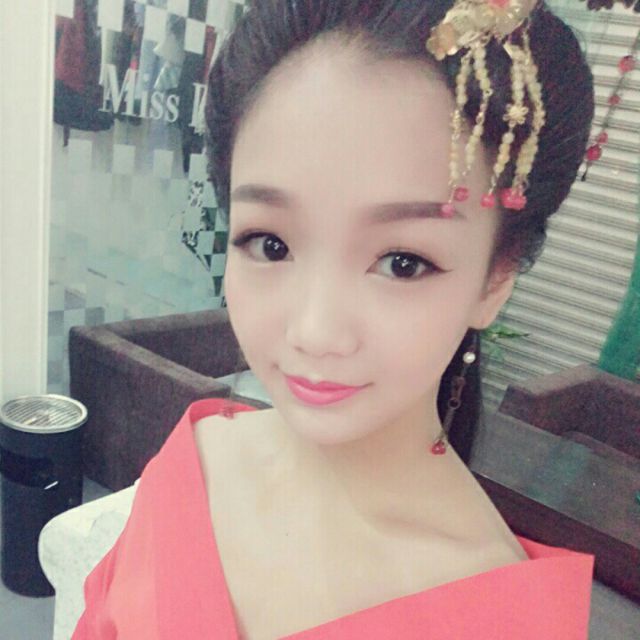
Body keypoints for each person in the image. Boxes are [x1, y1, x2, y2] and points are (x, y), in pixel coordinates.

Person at [72, 0, 596, 637]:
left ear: (496, 280)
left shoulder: (507, 621)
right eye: (270, 244)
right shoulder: (199, 455)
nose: (315, 333)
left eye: (403, 263)